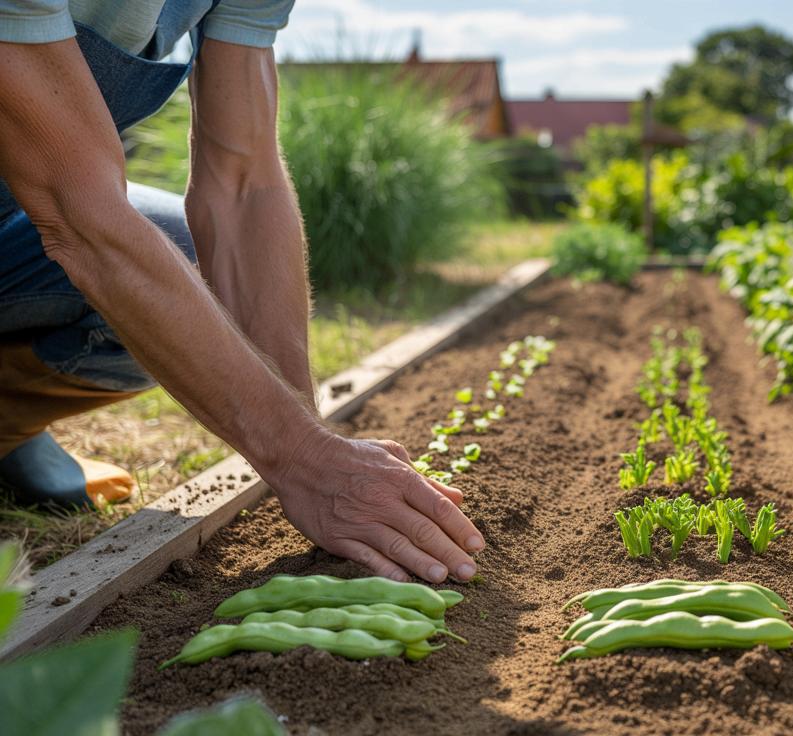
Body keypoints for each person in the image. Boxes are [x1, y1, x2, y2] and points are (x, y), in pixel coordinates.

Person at [0, 1, 484, 585]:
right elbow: (79, 215)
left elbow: (244, 184)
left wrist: (310, 443)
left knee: (176, 258)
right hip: (49, 200)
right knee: (138, 264)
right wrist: (300, 457)